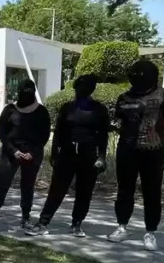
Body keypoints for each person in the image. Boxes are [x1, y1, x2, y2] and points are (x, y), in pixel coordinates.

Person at [25, 75, 111, 238]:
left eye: (85, 88)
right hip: (67, 153)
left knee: (84, 191)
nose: (81, 91)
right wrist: (54, 152)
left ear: (91, 90)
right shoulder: (67, 108)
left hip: (89, 156)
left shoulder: (99, 110)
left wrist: (101, 157)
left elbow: (103, 135)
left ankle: (77, 224)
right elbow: (58, 131)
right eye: (79, 88)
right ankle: (43, 223)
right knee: (57, 190)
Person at [107, 59, 164, 251]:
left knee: (152, 191)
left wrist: (155, 139)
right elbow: (118, 122)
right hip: (126, 150)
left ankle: (150, 232)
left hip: (153, 151)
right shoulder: (124, 98)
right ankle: (121, 227)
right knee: (124, 190)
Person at [0, 79, 51, 229]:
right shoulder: (9, 110)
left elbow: (44, 135)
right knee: (3, 183)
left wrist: (31, 152)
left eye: (29, 91)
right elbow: (2, 132)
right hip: (11, 152)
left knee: (27, 185)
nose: (26, 95)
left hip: (32, 154)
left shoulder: (41, 111)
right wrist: (14, 151)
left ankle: (25, 217)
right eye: (23, 91)